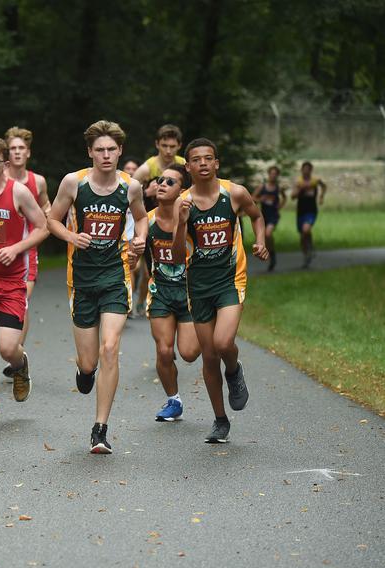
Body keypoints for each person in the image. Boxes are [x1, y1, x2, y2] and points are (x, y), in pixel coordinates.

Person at [46, 120, 148, 455]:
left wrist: (140, 238)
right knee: (89, 362)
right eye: (99, 150)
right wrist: (71, 236)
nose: (106, 155)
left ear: (120, 152)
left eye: (111, 150)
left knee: (110, 348)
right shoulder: (73, 183)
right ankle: (83, 369)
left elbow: (142, 217)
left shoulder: (130, 186)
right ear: (90, 152)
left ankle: (100, 429)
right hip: (82, 279)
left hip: (115, 277)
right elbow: (52, 219)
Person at [171, 138, 268, 444]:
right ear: (188, 167)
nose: (202, 163)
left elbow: (256, 215)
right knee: (209, 356)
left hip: (230, 279)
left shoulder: (234, 193)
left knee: (224, 342)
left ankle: (235, 369)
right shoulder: (182, 202)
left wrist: (260, 240)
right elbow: (175, 257)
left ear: (216, 164)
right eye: (196, 159)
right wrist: (180, 224)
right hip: (198, 286)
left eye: (208, 158)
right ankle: (220, 420)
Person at [0, 137, 48, 423]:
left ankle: (20, 364)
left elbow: (43, 227)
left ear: (4, 164)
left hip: (13, 279)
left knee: (7, 348)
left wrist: (16, 248)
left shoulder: (19, 193)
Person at [144, 165, 201, 421]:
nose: (162, 184)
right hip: (161, 292)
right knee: (165, 351)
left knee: (188, 353)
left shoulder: (194, 217)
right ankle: (173, 400)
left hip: (189, 293)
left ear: (183, 189)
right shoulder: (146, 220)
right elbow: (144, 259)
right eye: (160, 180)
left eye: (171, 181)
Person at [2, 126, 50, 370]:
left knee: (22, 299)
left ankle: (14, 356)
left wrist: (51, 217)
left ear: (28, 152)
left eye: (21, 148)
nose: (17, 152)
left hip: (27, 250)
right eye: (12, 149)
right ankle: (10, 345)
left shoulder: (37, 181)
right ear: (6, 152)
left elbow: (47, 208)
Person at [292, 161, 326, 269]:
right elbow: (293, 197)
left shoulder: (315, 181)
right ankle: (306, 255)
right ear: (302, 170)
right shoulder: (299, 182)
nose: (306, 171)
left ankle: (310, 246)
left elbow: (324, 186)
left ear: (311, 170)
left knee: (306, 229)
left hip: (311, 211)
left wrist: (321, 197)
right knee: (302, 236)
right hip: (300, 211)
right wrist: (300, 189)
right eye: (304, 169)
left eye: (308, 169)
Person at [252, 165, 286, 271]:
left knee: (268, 233)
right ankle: (272, 254)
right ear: (268, 174)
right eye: (271, 174)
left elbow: (284, 197)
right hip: (263, 215)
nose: (273, 176)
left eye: (275, 174)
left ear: (277, 176)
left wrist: (280, 206)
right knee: (266, 237)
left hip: (273, 215)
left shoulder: (278, 188)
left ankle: (272, 255)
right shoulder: (262, 187)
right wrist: (260, 199)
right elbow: (252, 198)